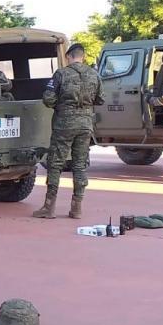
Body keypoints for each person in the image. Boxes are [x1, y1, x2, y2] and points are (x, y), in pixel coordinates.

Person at [34, 43, 103, 220]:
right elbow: (100, 99)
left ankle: (49, 208)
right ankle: (76, 209)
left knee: (55, 164)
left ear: (68, 57)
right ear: (83, 56)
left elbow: (48, 99)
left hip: (64, 124)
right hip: (86, 124)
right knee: (79, 165)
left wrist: (62, 106)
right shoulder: (94, 74)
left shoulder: (61, 74)